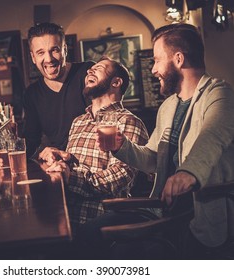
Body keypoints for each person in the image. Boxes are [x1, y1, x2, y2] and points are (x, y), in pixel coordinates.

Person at [91, 23, 234, 259]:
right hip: (161, 210)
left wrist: (187, 173)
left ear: (178, 59)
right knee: (88, 234)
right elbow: (152, 161)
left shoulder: (220, 94)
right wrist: (122, 147)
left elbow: (213, 137)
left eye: (157, 60)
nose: (153, 69)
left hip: (200, 216)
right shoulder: (169, 106)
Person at [39, 56, 149, 235]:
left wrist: (71, 178)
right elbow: (74, 167)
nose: (89, 70)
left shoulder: (127, 121)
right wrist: (58, 158)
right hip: (63, 215)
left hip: (100, 221)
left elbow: (120, 176)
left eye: (99, 68)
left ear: (116, 82)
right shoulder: (78, 122)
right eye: (90, 69)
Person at [23, 22, 94, 158]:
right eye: (41, 52)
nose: (49, 59)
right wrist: (5, 156)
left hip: (96, 160)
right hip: (61, 166)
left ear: (65, 50)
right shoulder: (32, 94)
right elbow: (31, 141)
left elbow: (109, 118)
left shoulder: (87, 73)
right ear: (33, 57)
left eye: (54, 50)